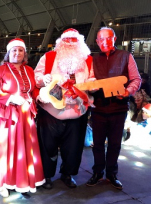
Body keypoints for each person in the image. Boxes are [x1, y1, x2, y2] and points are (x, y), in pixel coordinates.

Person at [34, 28, 94, 189]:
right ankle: (46, 175)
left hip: (77, 113)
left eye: (73, 41)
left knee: (73, 148)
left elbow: (93, 79)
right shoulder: (49, 57)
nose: (69, 44)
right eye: (66, 40)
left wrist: (93, 84)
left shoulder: (88, 60)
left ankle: (67, 174)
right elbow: (36, 77)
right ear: (60, 42)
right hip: (50, 112)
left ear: (79, 42)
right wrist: (42, 78)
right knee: (47, 147)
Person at [0, 38, 45, 197]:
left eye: (20, 50)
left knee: (23, 148)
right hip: (6, 116)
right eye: (14, 50)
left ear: (24, 53)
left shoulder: (30, 70)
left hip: (25, 114)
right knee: (5, 149)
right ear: (8, 53)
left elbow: (33, 90)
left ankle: (22, 181)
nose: (17, 53)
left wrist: (39, 96)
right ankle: (2, 182)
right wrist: (10, 98)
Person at [86, 27, 141, 190]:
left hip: (118, 108)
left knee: (115, 143)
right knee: (97, 144)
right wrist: (91, 88)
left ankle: (111, 174)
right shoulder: (92, 59)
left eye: (108, 38)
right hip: (99, 108)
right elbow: (88, 81)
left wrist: (127, 91)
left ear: (114, 39)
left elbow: (136, 79)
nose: (104, 42)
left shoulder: (126, 56)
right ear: (97, 42)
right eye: (101, 39)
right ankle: (97, 173)